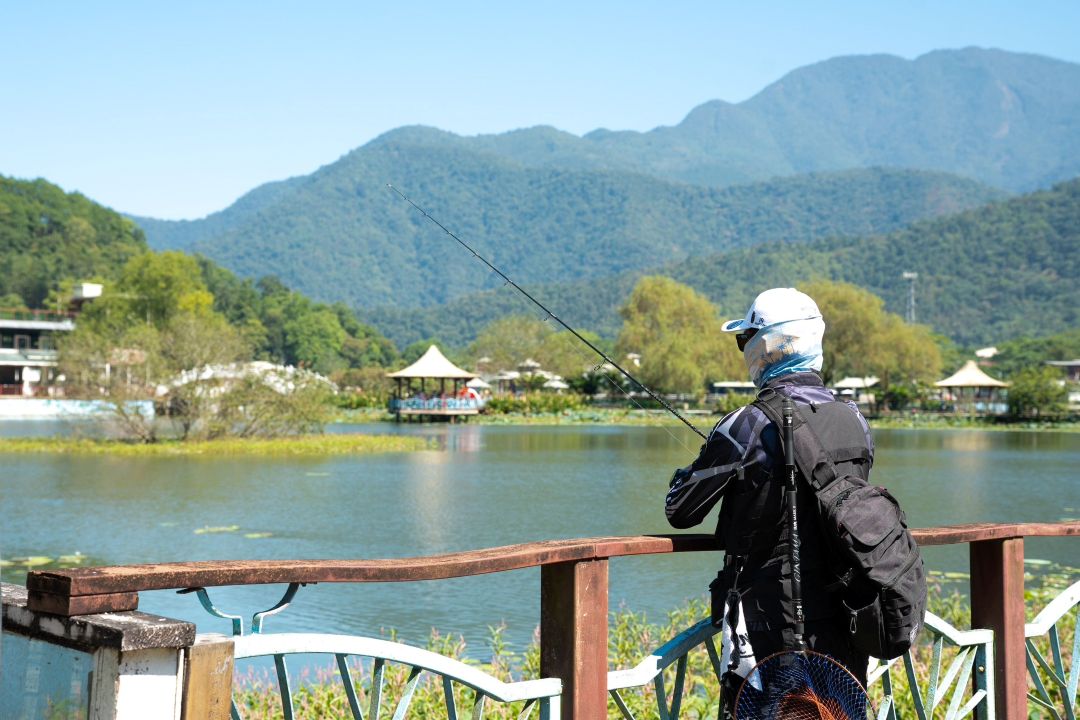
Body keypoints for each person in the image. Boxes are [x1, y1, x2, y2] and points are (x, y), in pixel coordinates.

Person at [664, 287, 873, 713]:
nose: (743, 349)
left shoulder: (746, 425)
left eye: (744, 339)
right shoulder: (855, 420)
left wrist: (689, 472)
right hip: (845, 619)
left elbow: (680, 510)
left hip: (766, 630)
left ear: (765, 346)